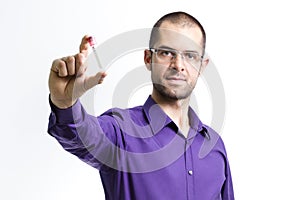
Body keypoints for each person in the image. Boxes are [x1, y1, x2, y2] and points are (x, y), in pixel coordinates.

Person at [48, 11, 234, 200]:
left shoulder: (214, 145)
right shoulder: (120, 132)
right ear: (148, 58)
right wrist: (65, 102)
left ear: (202, 65)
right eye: (167, 52)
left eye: (190, 55)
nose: (178, 65)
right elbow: (83, 134)